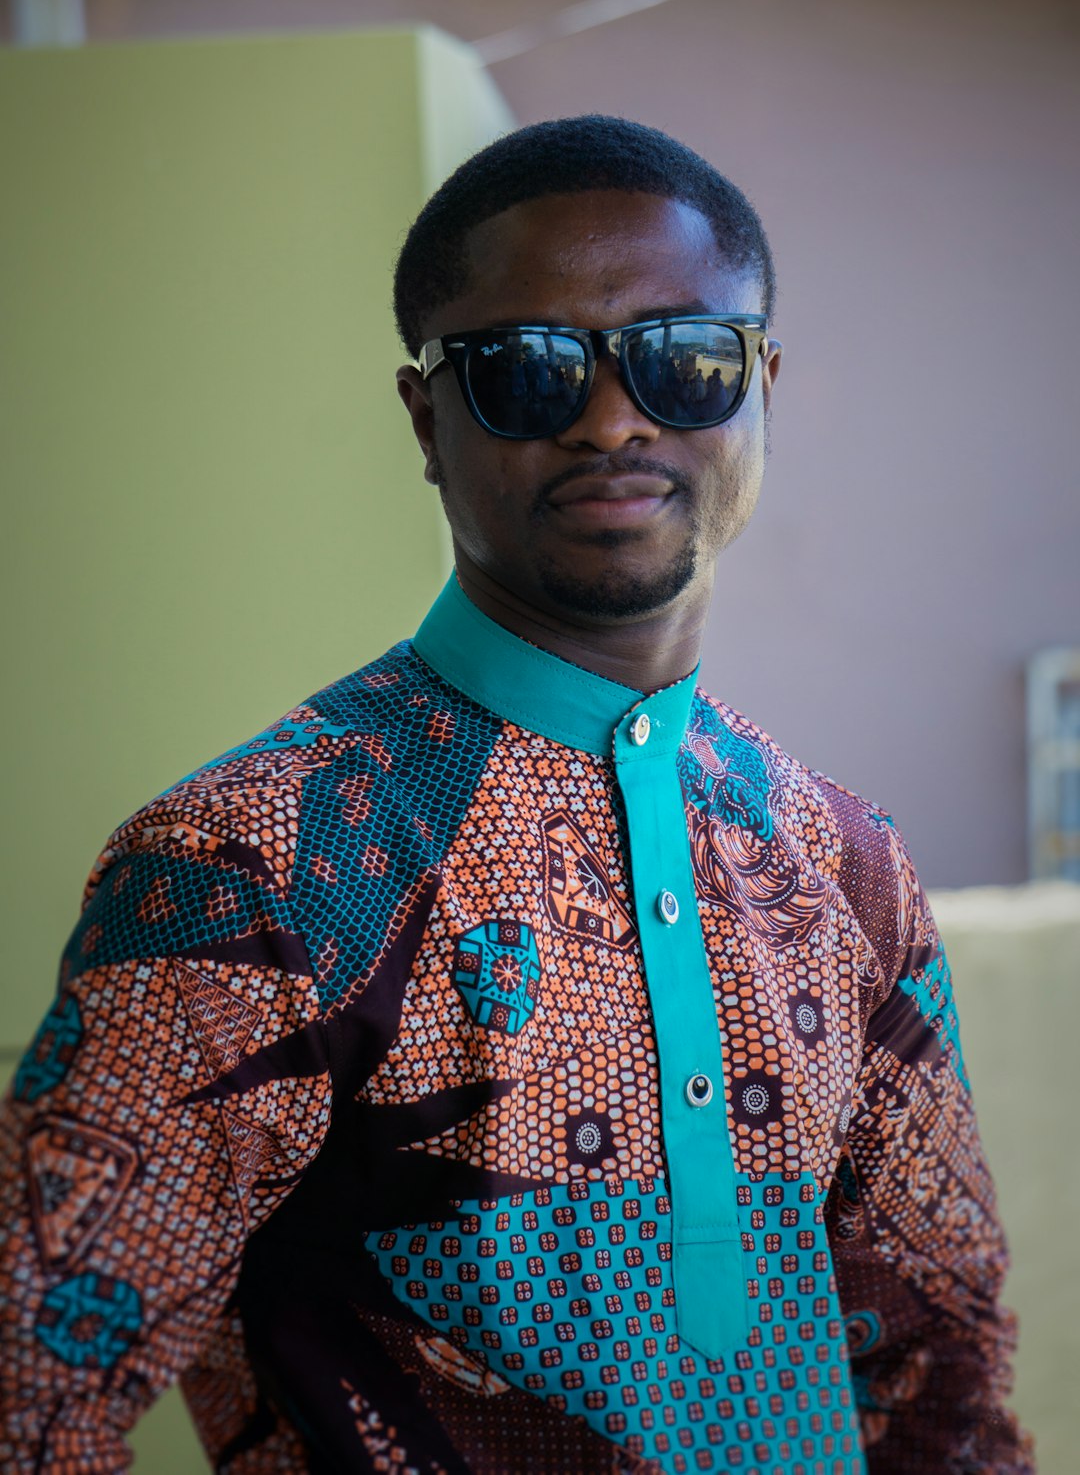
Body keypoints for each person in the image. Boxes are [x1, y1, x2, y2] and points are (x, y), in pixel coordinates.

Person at [0, 116, 1032, 1474]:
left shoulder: (847, 867)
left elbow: (944, 1387)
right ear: (429, 417)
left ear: (762, 383)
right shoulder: (252, 861)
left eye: (686, 359)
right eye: (527, 372)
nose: (615, 418)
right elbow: (29, 1394)